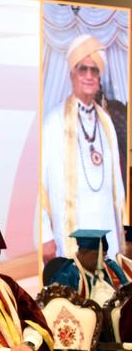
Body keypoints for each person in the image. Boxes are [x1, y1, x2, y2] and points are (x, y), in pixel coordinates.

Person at [42, 35, 125, 259]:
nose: (89, 76)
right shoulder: (54, 121)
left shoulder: (106, 122)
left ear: (99, 77)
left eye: (94, 70)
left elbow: (117, 185)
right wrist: (44, 235)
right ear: (72, 75)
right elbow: (40, 185)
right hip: (72, 233)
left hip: (107, 231)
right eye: (83, 69)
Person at [45, 229, 129, 304]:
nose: (101, 261)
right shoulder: (68, 275)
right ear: (83, 252)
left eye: (104, 256)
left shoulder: (108, 267)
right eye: (98, 256)